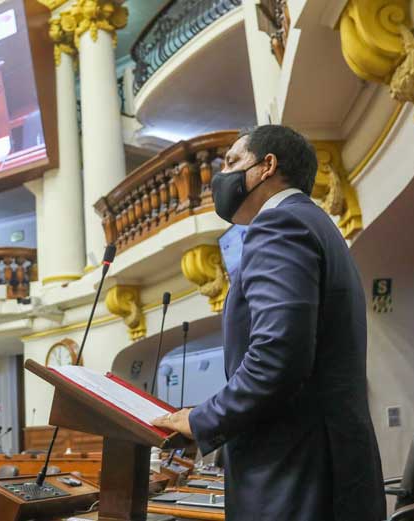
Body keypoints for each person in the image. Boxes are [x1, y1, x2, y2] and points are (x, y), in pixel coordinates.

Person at [153, 125, 386, 521]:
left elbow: (277, 358)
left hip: (295, 480)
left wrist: (202, 418)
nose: (220, 176)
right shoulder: (318, 224)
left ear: (267, 167)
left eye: (231, 162)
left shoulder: (279, 226)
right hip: (328, 472)